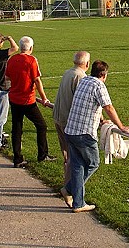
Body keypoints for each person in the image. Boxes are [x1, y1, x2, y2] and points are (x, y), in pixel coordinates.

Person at [63, 60, 129, 212]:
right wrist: (121, 126)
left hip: (70, 130)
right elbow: (108, 107)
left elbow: (88, 103)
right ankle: (69, 190)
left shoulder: (84, 80)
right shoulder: (99, 85)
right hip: (83, 133)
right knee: (93, 163)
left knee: (78, 166)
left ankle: (78, 203)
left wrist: (100, 120)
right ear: (104, 75)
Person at [5, 36, 54, 167]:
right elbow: (37, 80)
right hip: (27, 100)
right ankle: (42, 155)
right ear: (31, 48)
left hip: (14, 98)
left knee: (17, 127)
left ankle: (17, 158)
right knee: (41, 126)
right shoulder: (31, 61)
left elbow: (7, 77)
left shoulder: (12, 59)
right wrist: (44, 97)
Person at [53, 51, 90, 187]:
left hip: (59, 116)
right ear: (87, 63)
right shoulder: (80, 77)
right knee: (73, 158)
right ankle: (68, 188)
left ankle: (66, 183)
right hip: (68, 121)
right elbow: (83, 102)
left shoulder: (67, 72)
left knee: (67, 156)